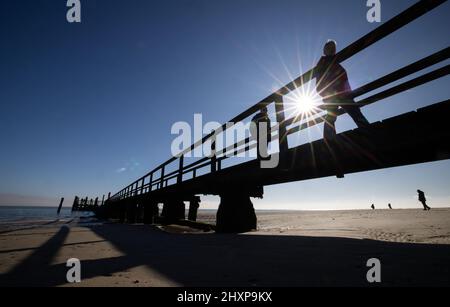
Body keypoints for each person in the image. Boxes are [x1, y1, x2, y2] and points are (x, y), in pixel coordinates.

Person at [314, 40, 370, 140]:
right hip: (332, 95)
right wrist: (326, 94)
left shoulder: (336, 62)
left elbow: (344, 79)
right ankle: (328, 139)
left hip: (343, 94)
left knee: (354, 111)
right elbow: (319, 82)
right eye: (329, 48)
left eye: (333, 48)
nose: (332, 50)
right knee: (332, 115)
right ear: (324, 50)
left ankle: (367, 129)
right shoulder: (323, 63)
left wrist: (349, 93)